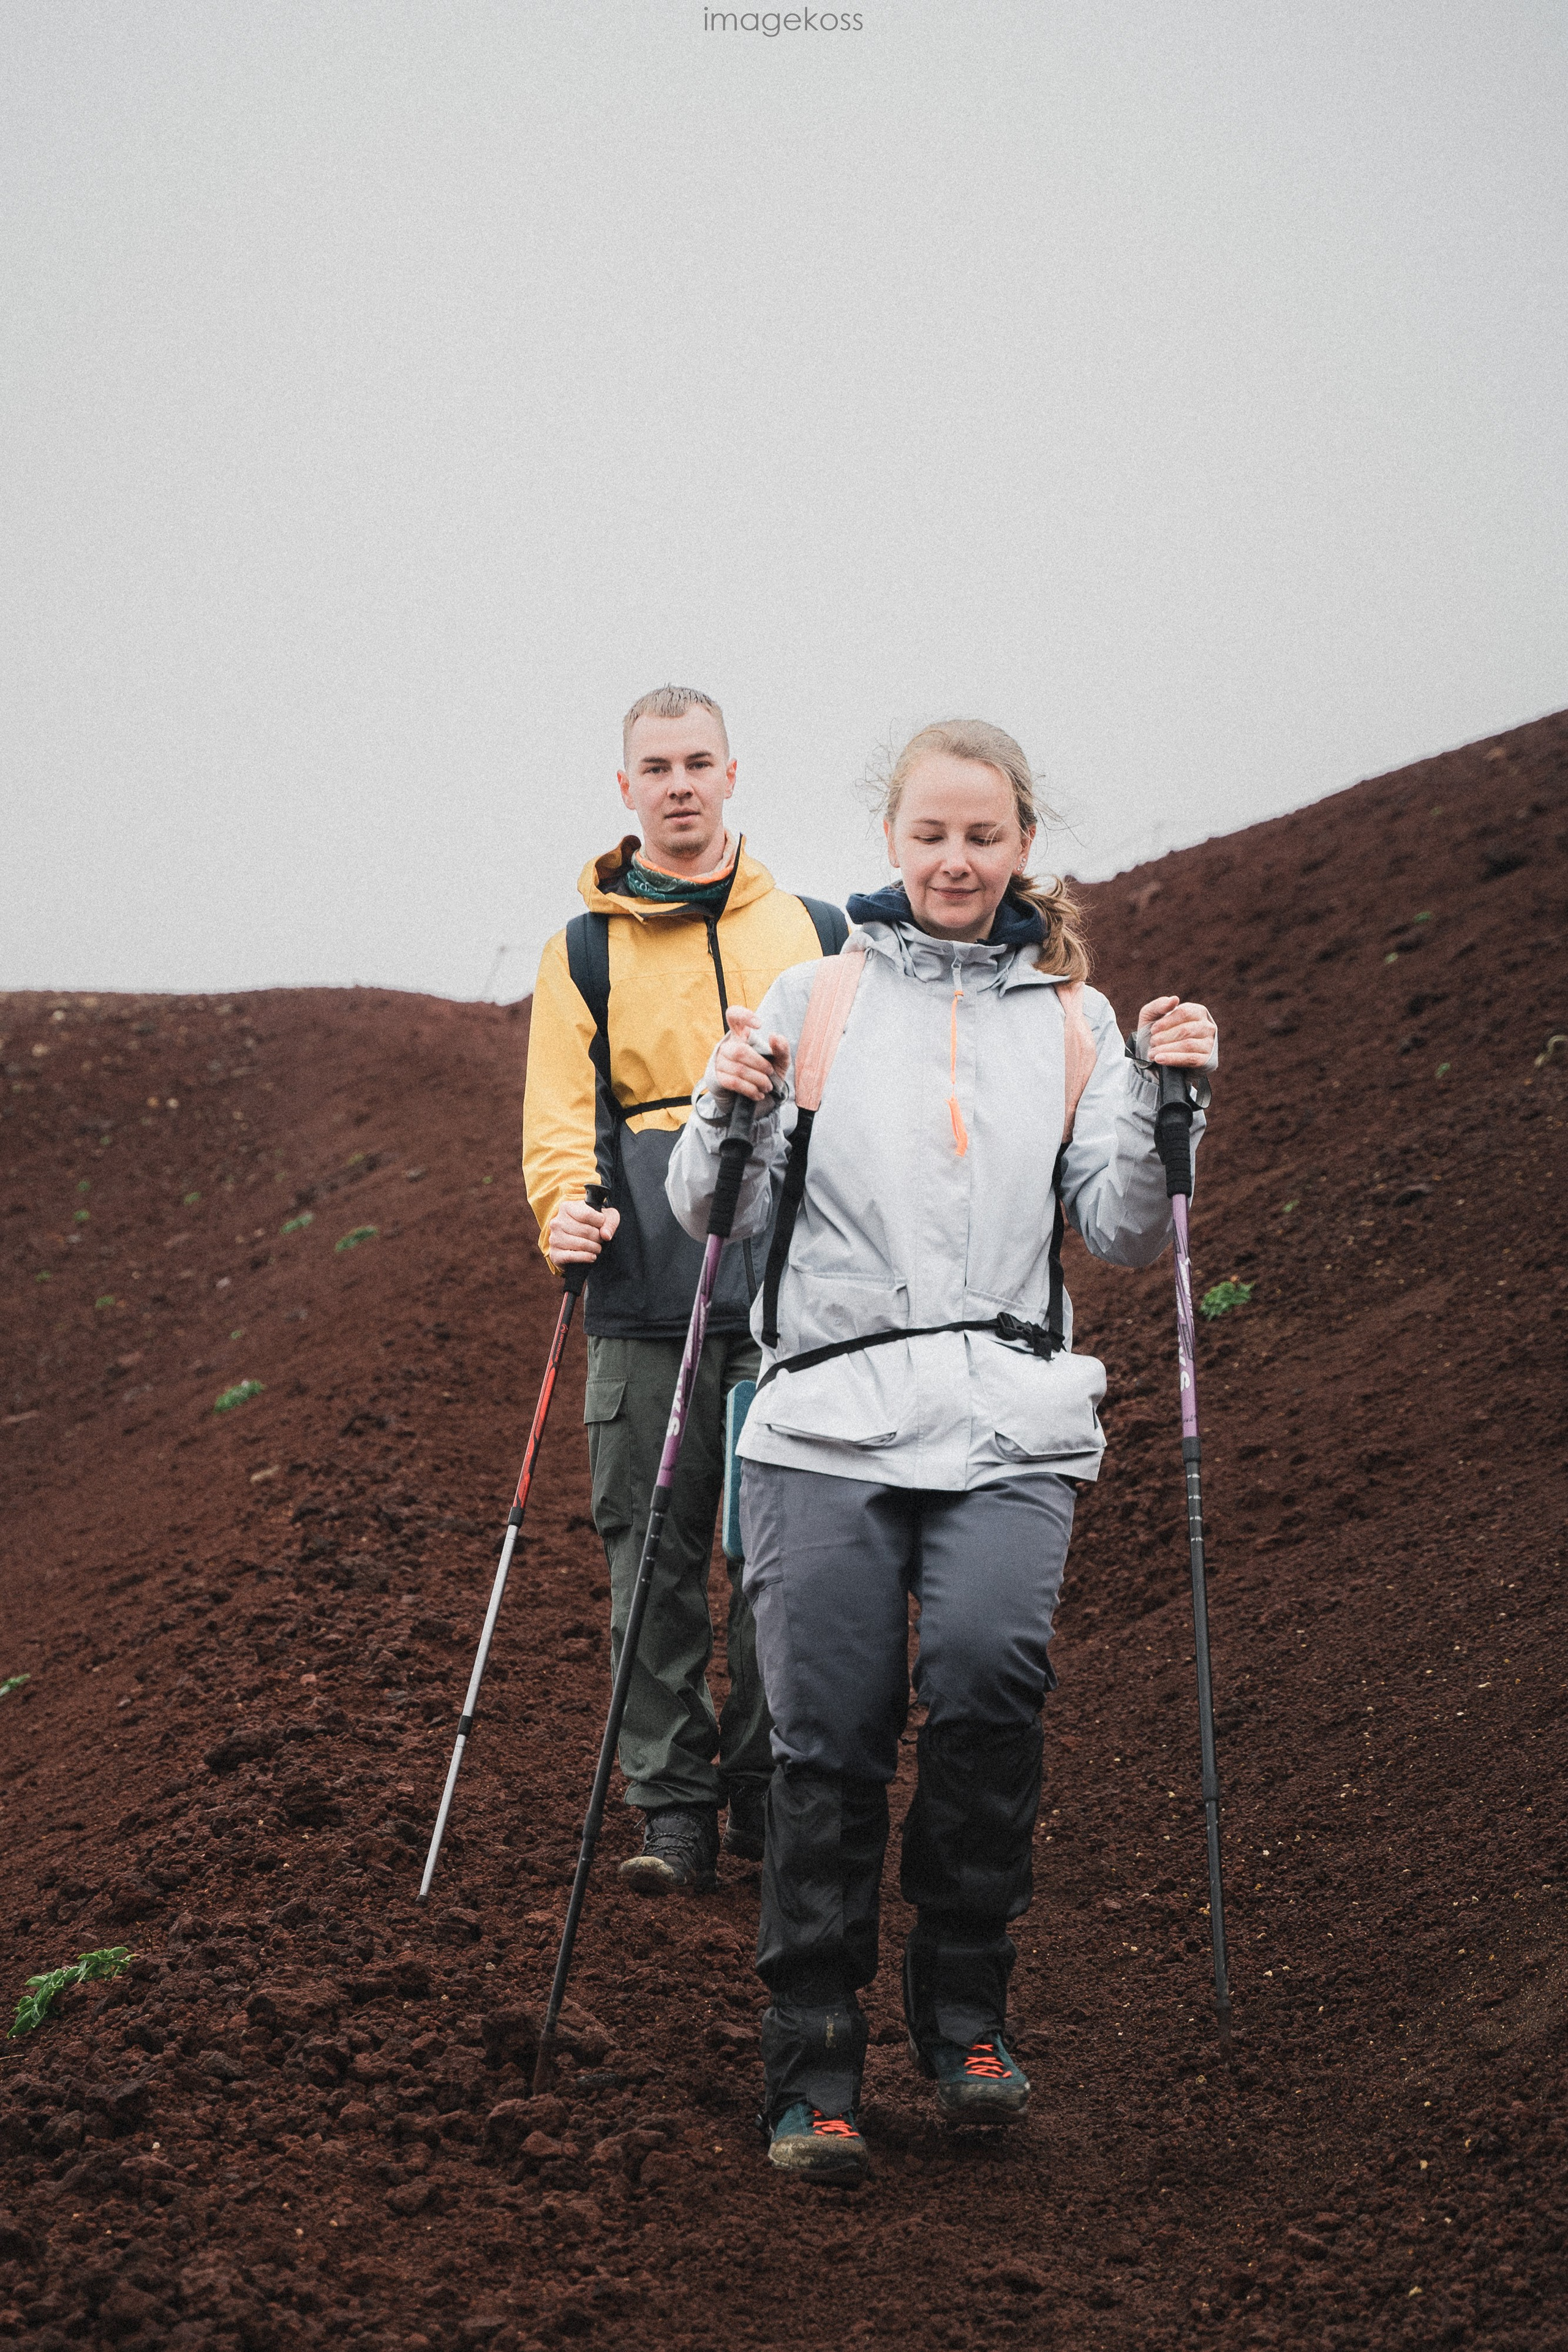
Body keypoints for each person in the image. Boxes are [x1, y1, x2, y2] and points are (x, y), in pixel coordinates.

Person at [666, 717, 1218, 2182]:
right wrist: (725, 1105)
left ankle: (964, 2014)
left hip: (1004, 1411)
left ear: (1022, 844)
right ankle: (813, 2069)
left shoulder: (1073, 1022)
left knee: (987, 1685)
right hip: (822, 1418)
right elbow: (712, 1213)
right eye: (930, 835)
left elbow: (1114, 1226)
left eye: (983, 836)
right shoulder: (815, 991)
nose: (956, 860)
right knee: (823, 1738)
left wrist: (1172, 1111)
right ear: (891, 842)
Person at [522, 685, 846, 1896]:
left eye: (695, 762)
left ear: (729, 774)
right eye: (653, 767)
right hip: (639, 1291)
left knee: (783, 1548)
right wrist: (563, 1205)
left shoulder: (813, 928)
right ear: (625, 790)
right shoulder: (584, 949)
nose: (676, 784)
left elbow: (849, 1097)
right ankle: (671, 1807)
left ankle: (767, 1790)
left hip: (788, 1299)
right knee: (648, 1555)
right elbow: (559, 1112)